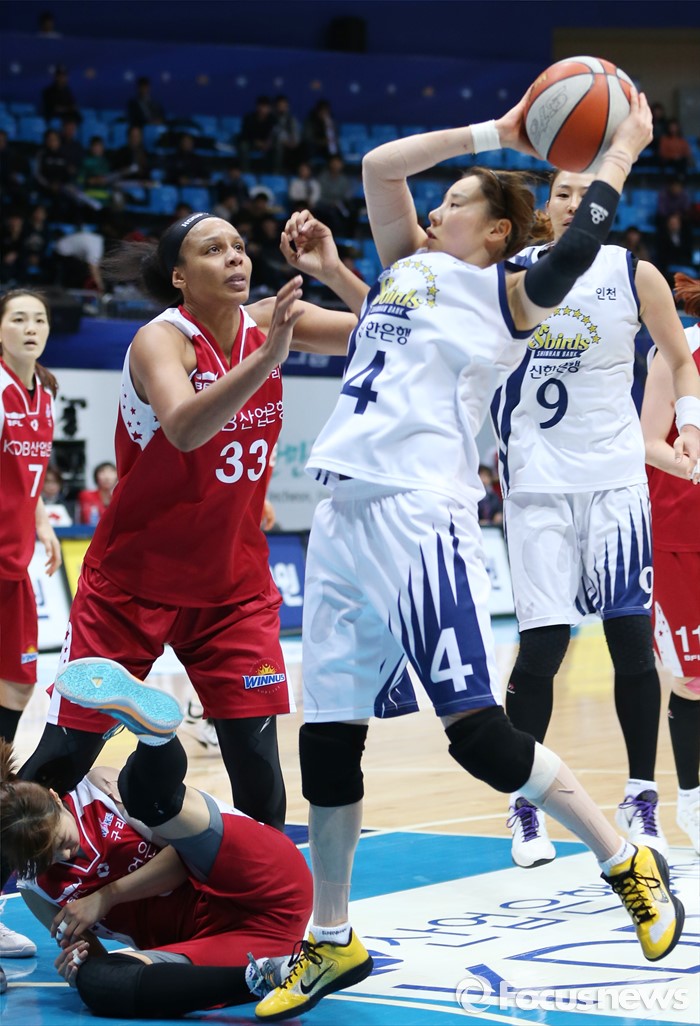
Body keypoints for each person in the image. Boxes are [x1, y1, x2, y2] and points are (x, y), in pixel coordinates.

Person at [255, 89, 691, 1021]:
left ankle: (624, 858)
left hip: (421, 515)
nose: (433, 207)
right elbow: (379, 167)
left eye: (455, 201)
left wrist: (620, 149)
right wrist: (498, 131)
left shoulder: (506, 300)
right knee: (328, 735)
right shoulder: (405, 268)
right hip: (341, 512)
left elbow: (576, 248)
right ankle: (332, 937)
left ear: (496, 233)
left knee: (477, 734)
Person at [17, 209, 359, 837]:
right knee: (62, 759)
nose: (234, 257)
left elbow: (394, 332)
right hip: (132, 585)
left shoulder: (271, 322)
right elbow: (183, 427)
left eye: (239, 246)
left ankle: (251, 892)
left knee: (260, 776)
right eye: (213, 249)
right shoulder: (161, 340)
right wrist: (268, 359)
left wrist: (334, 271)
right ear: (179, 276)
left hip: (233, 589)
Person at [491, 166, 700, 869]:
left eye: (588, 193)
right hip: (537, 487)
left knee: (632, 643)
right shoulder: (509, 274)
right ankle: (525, 802)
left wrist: (690, 424)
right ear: (545, 208)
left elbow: (681, 359)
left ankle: (641, 797)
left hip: (615, 482)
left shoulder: (634, 274)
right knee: (543, 651)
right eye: (562, 193)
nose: (575, 203)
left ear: (609, 205)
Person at [1, 660, 313, 1018]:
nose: (65, 855)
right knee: (98, 984)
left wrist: (107, 896)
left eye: (62, 842)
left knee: (146, 799)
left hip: (255, 882)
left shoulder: (96, 790)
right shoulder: (35, 888)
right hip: (218, 945)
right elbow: (93, 956)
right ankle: (271, 975)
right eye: (49, 858)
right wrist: (77, 964)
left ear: (57, 800)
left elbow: (183, 858)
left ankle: (155, 736)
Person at [0, 288, 62, 962]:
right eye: (17, 318)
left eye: (38, 319)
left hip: (15, 571)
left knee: (15, 700)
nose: (29, 327)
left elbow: (30, 476)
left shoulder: (43, 393)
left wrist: (40, 519)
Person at [640, 272, 700, 854]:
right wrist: (693, 465)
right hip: (682, 534)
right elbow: (646, 441)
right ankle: (692, 798)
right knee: (693, 680)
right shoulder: (679, 349)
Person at [77, 460, 117, 525]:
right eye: (102, 472)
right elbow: (88, 519)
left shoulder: (118, 498)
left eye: (111, 472)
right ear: (96, 476)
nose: (107, 477)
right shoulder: (86, 495)